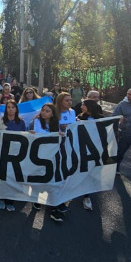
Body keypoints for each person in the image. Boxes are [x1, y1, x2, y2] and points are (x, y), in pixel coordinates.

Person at [0, 100, 26, 212]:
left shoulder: (21, 122)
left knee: (13, 177)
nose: (10, 109)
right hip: (2, 152)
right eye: (8, 107)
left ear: (16, 109)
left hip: (16, 154)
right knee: (3, 176)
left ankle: (10, 200)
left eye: (13, 107)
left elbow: (24, 138)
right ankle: (1, 198)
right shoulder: (0, 120)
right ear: (6, 109)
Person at [48, 92, 77, 222]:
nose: (69, 102)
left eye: (70, 100)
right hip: (55, 148)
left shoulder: (72, 112)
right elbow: (49, 130)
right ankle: (54, 206)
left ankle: (59, 201)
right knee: (55, 175)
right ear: (60, 101)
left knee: (64, 174)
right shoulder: (54, 113)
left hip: (68, 147)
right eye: (67, 100)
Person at [76, 99, 103, 211]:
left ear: (89, 106)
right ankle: (85, 195)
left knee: (92, 171)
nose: (81, 106)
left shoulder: (101, 118)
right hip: (82, 148)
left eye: (83, 104)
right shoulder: (80, 117)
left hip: (96, 149)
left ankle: (88, 193)